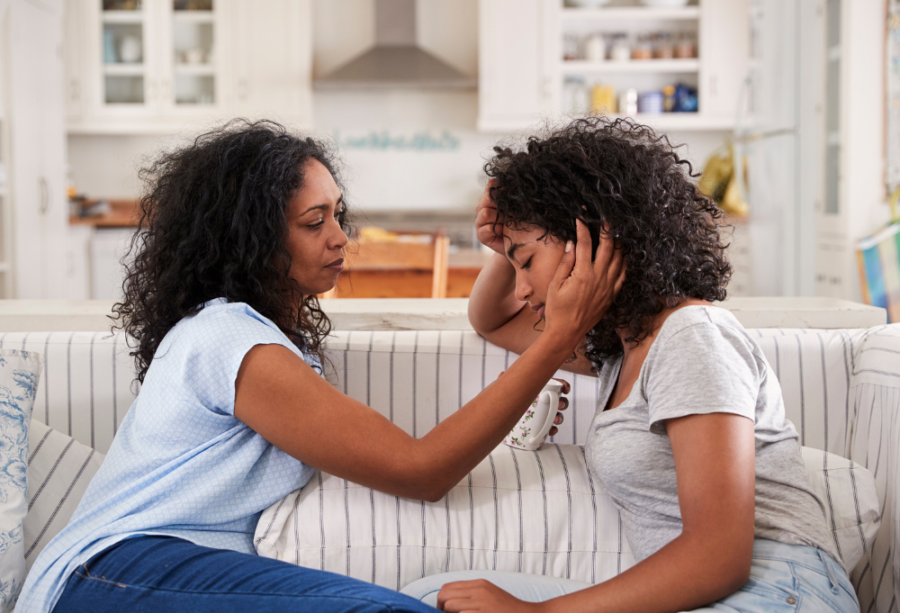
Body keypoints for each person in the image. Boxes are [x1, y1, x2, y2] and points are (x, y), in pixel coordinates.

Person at [15, 120, 624, 613]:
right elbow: (420, 471)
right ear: (249, 239)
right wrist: (557, 338)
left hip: (156, 573)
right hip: (114, 573)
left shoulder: (262, 339)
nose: (340, 238)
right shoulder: (231, 341)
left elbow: (487, 322)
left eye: (338, 215)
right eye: (314, 222)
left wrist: (500, 255)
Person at [399, 118, 859, 613]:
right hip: (712, 595)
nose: (522, 290)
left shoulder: (691, 337)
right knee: (433, 601)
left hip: (779, 591)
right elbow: (490, 321)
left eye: (528, 263)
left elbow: (720, 557)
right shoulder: (623, 352)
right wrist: (508, 246)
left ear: (592, 237)